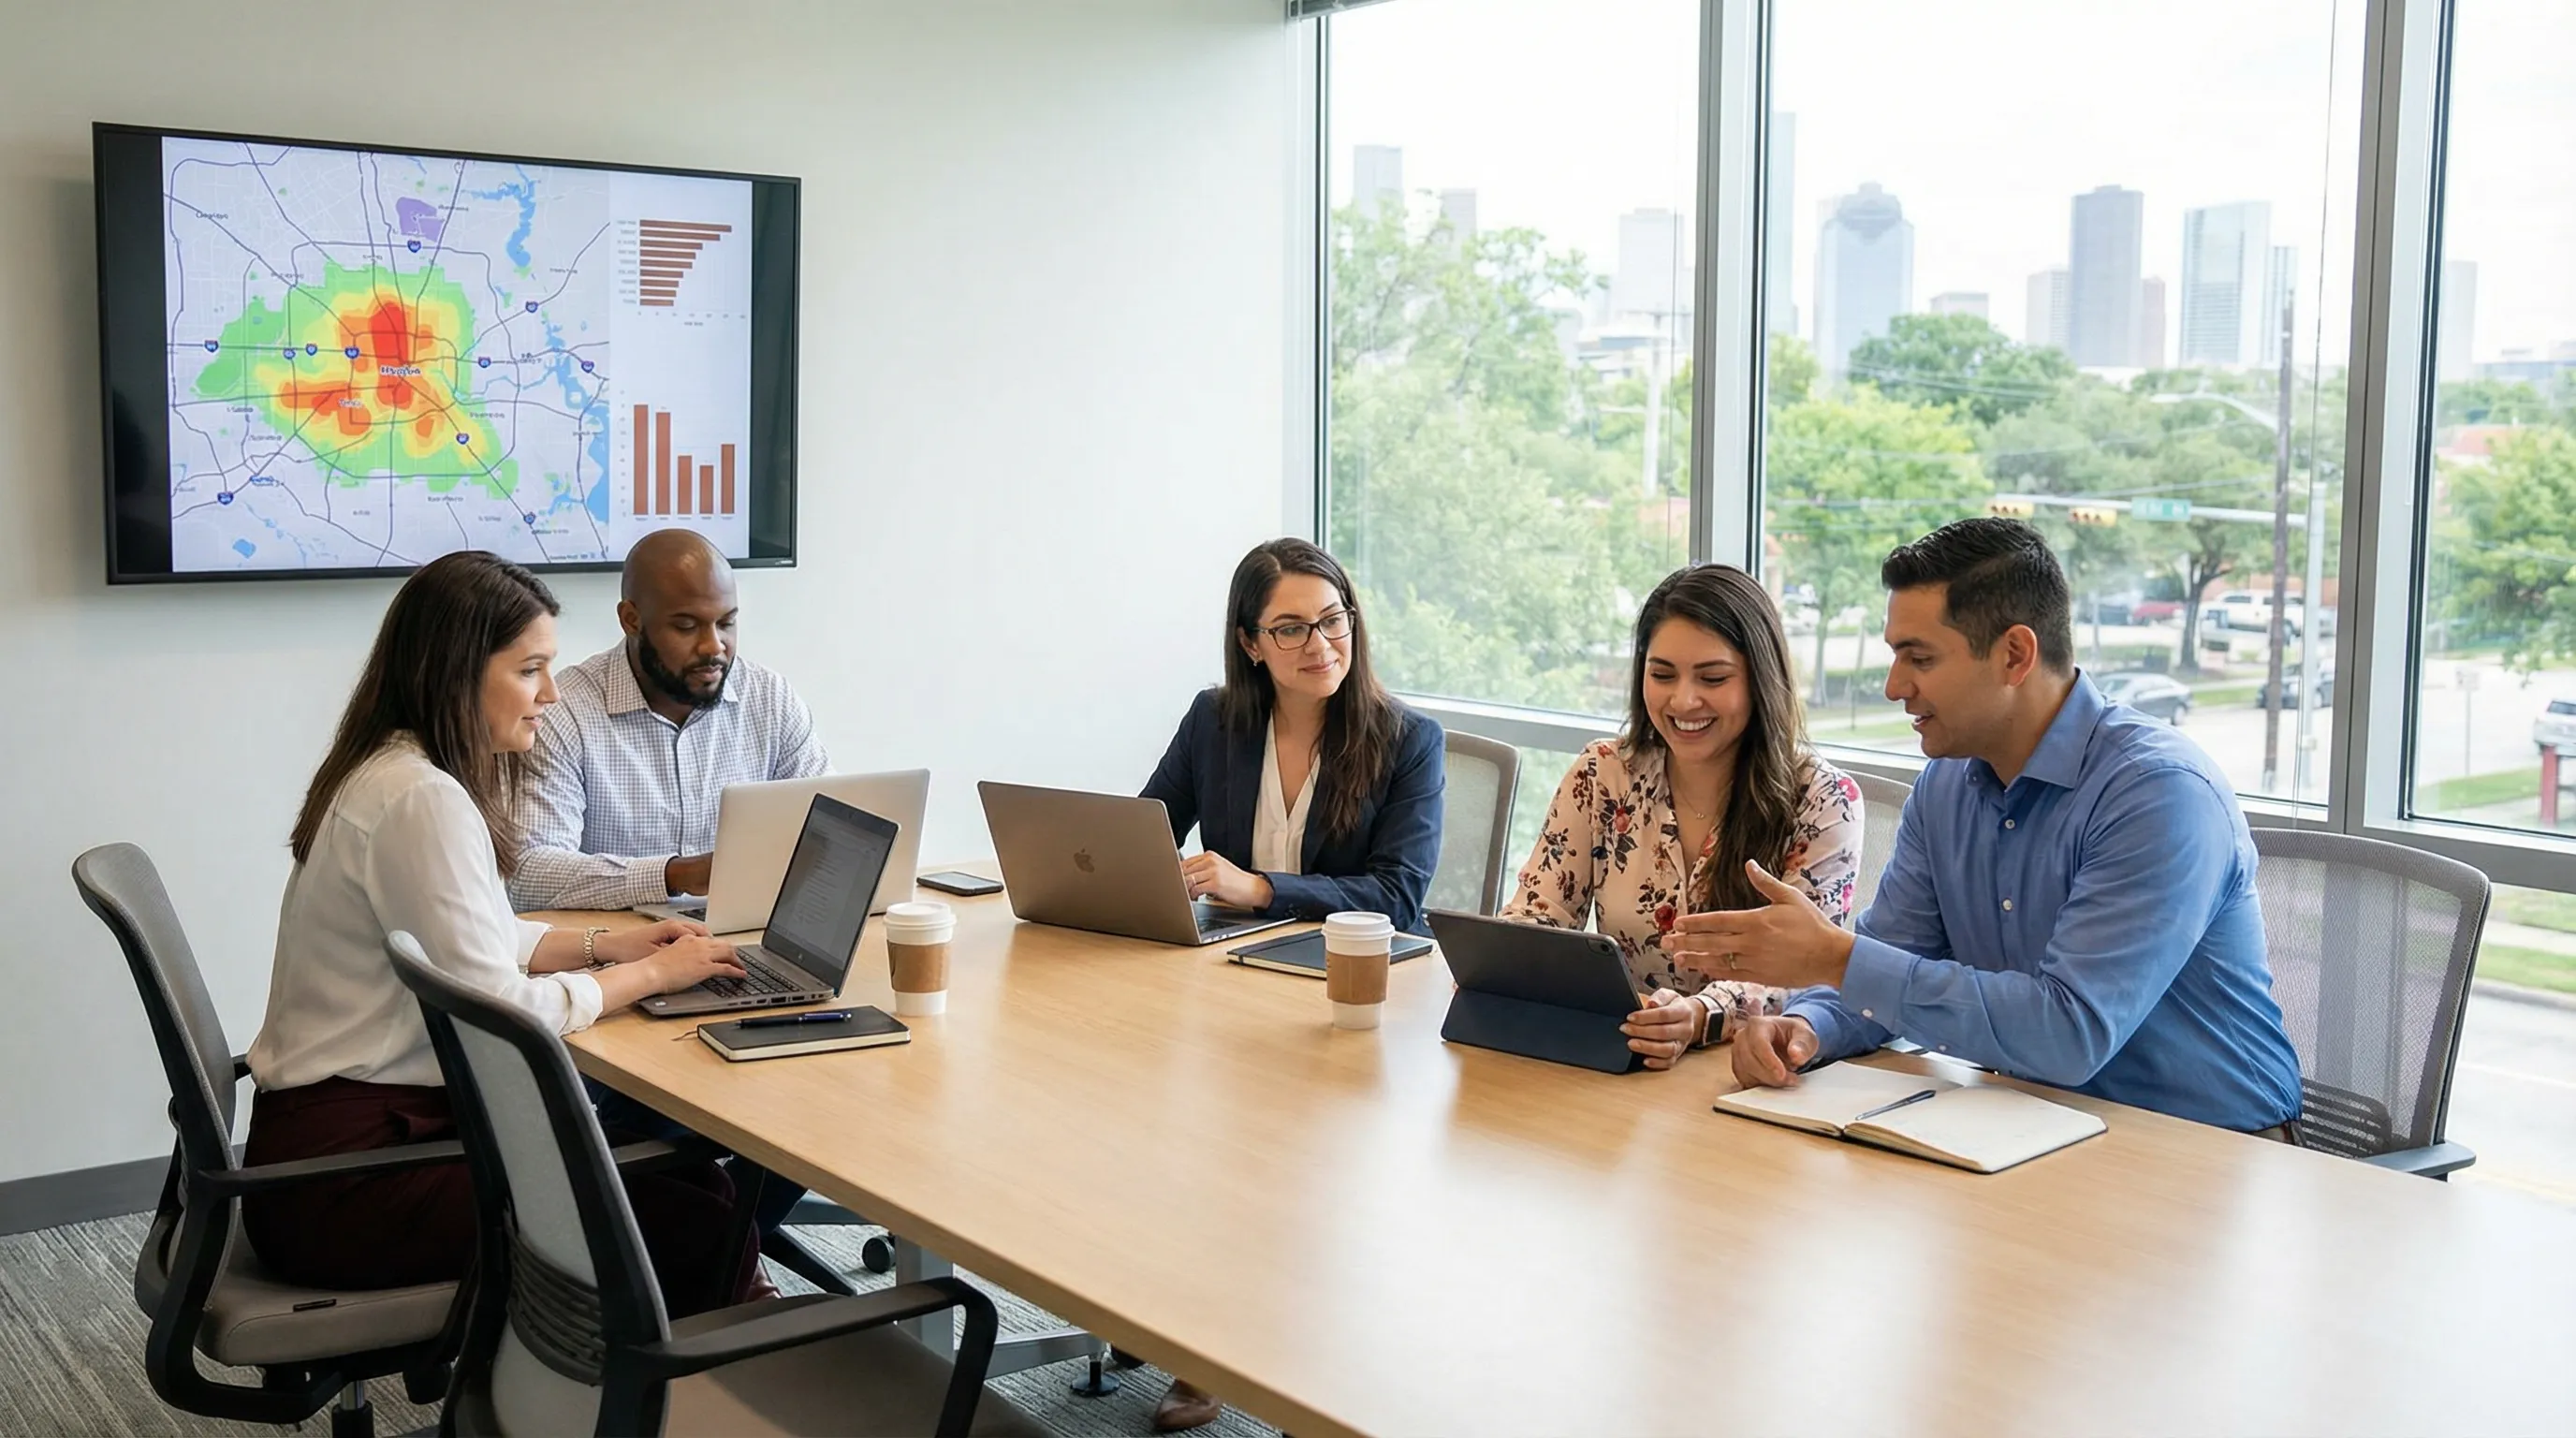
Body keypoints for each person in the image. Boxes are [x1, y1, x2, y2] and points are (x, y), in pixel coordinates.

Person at [242, 551, 759, 1317]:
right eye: (530, 671)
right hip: (354, 1188)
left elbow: (477, 933)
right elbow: (506, 1016)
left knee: (696, 1184)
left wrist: (606, 948)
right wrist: (648, 979)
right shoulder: (421, 799)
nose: (552, 694)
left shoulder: (394, 770)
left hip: (340, 1154)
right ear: (458, 672)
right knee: (701, 1222)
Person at [1688, 519, 2305, 1137]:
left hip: (2210, 1149)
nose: (1893, 686)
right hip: (2024, 1129)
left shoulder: (2158, 793)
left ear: (2015, 654)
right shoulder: (1946, 786)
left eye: (1918, 658)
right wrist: (1809, 1026)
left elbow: (2069, 1035)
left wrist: (1836, 960)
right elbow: (1892, 960)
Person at [1136, 537, 1442, 1431]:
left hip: (1343, 999)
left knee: (1268, 1152)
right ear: (1250, 643)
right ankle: (1184, 1319)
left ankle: (1252, 1345)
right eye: (1293, 627)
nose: (1322, 643)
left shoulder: (1406, 740)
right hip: (1224, 984)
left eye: (1334, 619)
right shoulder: (1214, 721)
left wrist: (1261, 887)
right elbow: (1148, 829)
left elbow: (1399, 896)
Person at [1503, 564, 1863, 1070]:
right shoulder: (1602, 773)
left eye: (1712, 678)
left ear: (1761, 679)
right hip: (1616, 1065)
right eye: (1662, 674)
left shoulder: (1824, 798)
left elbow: (1806, 967)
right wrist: (1508, 964)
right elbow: (1537, 914)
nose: (1683, 700)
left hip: (1750, 1074)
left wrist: (1699, 1015)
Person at [507, 527, 827, 912]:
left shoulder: (770, 699)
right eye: (686, 626)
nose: (714, 647)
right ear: (631, 620)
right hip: (620, 954)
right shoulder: (565, 712)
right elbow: (527, 874)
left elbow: (831, 830)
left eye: (726, 623)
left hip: (745, 939)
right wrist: (674, 875)